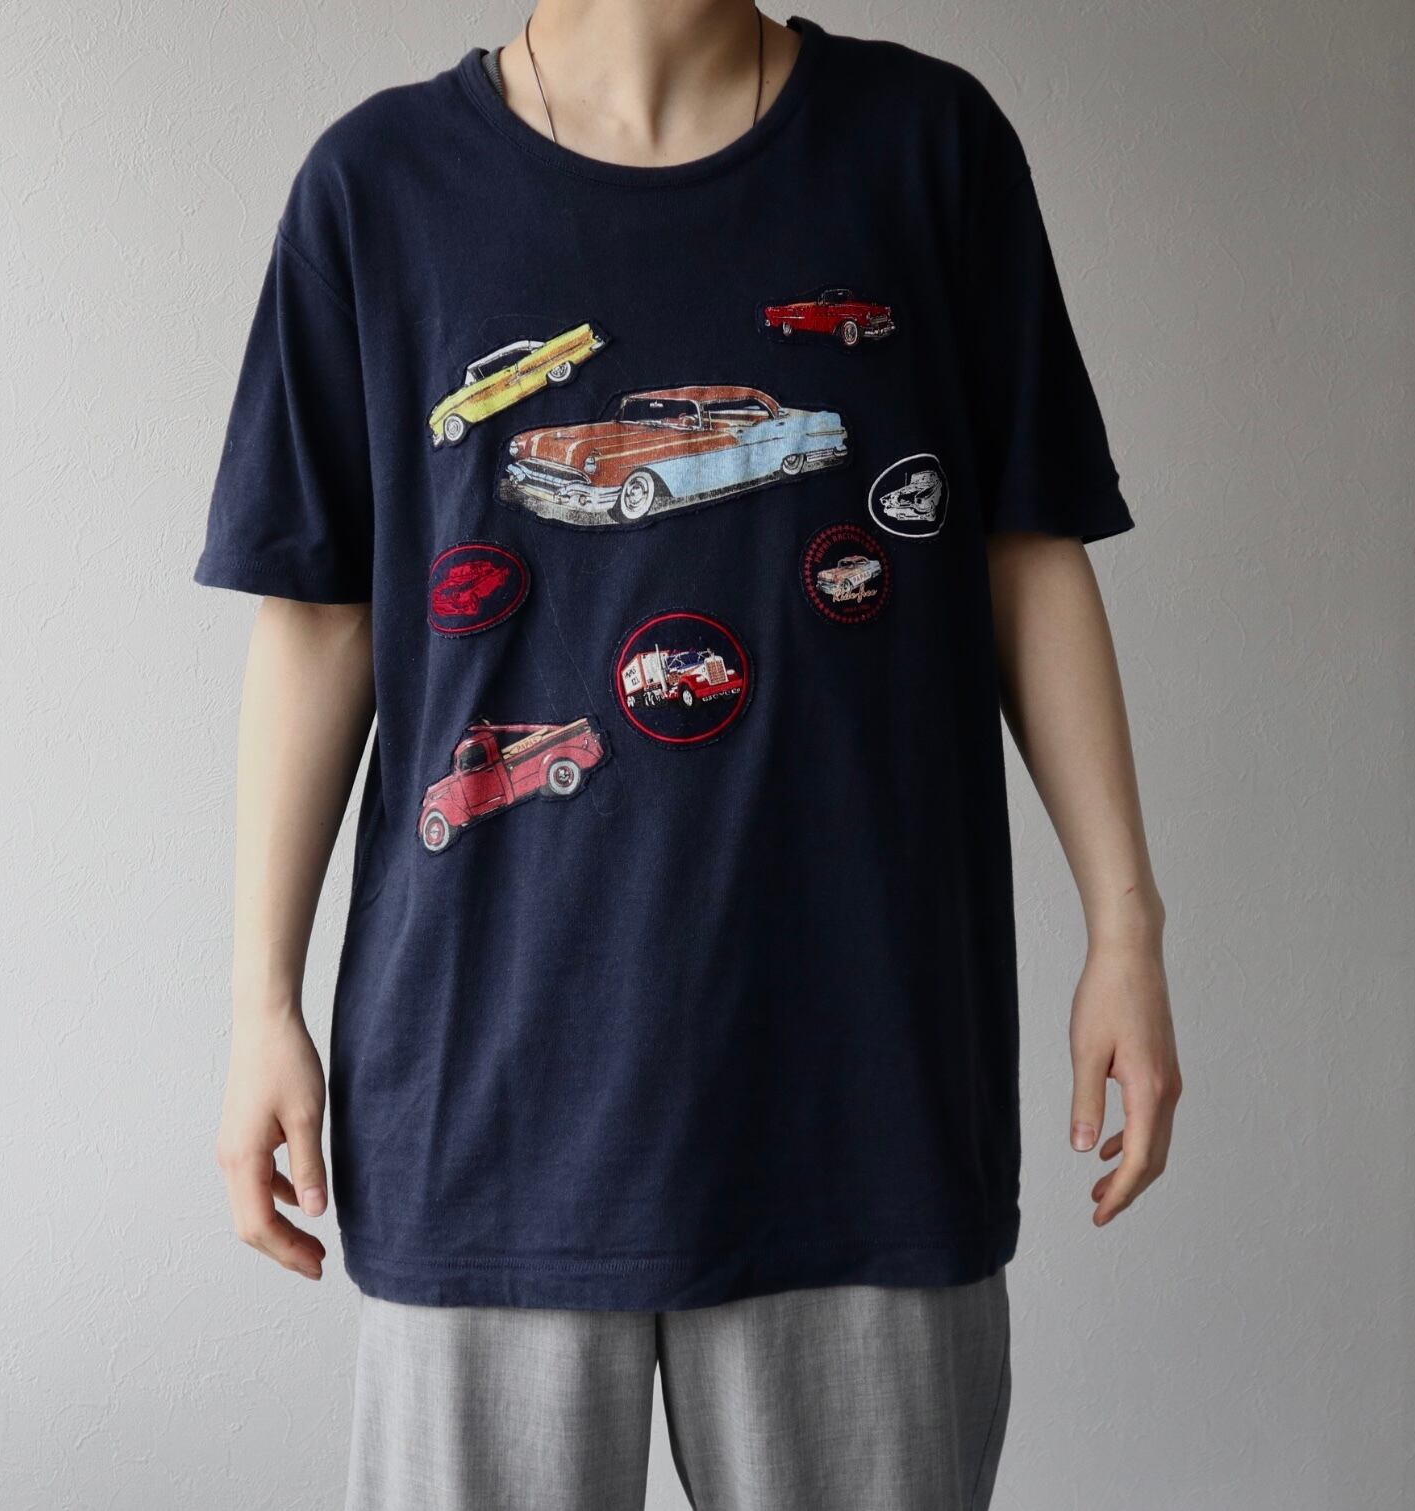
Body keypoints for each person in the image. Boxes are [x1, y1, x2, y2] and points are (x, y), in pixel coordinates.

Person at [197, 4, 1182, 1507]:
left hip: (865, 1089)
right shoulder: (378, 184)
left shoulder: (928, 149)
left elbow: (1027, 551)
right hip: (484, 1098)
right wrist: (260, 1002)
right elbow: (321, 618)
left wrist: (1127, 925)